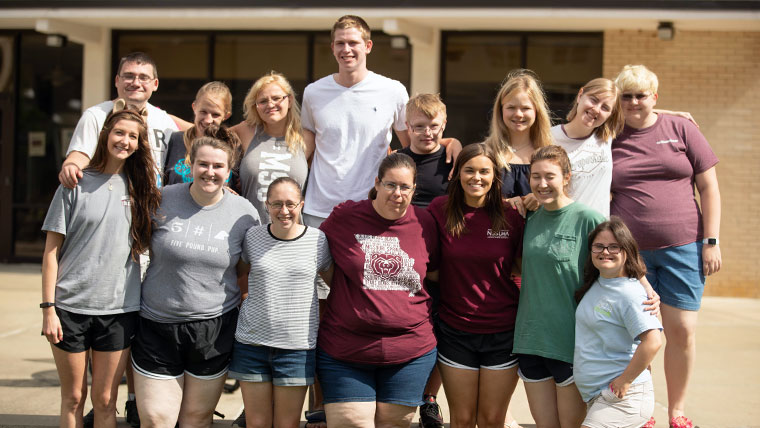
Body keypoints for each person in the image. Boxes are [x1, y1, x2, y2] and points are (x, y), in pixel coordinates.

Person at [611, 65, 721, 428]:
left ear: (655, 97)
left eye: (641, 95)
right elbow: (582, 110)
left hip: (684, 247)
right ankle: (644, 412)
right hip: (630, 253)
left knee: (682, 331)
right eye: (625, 96)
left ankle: (677, 411)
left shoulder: (682, 129)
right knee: (639, 335)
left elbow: (709, 188)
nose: (633, 102)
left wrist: (712, 241)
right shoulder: (608, 135)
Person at [41, 108, 161, 428]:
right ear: (105, 134)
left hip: (119, 309)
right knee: (73, 397)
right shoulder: (74, 183)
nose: (124, 140)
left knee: (106, 399)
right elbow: (51, 253)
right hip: (70, 308)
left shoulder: (142, 189)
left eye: (132, 136)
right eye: (119, 132)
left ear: (139, 144)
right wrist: (48, 308)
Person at [130, 136, 260, 428]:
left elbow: (243, 271)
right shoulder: (162, 198)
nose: (210, 171)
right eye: (203, 164)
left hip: (213, 328)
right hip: (156, 324)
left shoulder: (244, 214)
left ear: (229, 171)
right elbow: (133, 246)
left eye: (218, 166)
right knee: (155, 419)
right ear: (191, 164)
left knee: (196, 419)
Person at [301, 15, 461, 228]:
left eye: (353, 43)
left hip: (373, 205)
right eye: (340, 43)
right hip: (319, 208)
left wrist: (449, 143)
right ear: (332, 47)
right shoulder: (313, 92)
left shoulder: (392, 91)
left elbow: (411, 147)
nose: (346, 49)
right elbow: (306, 149)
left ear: (368, 46)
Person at [317, 152, 438, 427]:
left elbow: (434, 274)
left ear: (414, 189)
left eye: (405, 187)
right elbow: (318, 257)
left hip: (410, 352)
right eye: (390, 185)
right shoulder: (345, 217)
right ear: (377, 183)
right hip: (346, 352)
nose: (397, 193)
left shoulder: (425, 223)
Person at [428, 143, 524, 428]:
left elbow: (520, 268)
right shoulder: (439, 210)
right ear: (457, 173)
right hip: (455, 330)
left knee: (492, 420)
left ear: (496, 176)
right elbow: (430, 268)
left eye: (484, 171)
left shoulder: (512, 214)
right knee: (462, 419)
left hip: (503, 331)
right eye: (469, 170)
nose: (476, 177)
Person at [227, 177, 333, 428]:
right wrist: (245, 300)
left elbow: (334, 284)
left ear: (302, 204)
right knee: (257, 423)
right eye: (276, 204)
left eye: (290, 204)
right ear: (266, 205)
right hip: (252, 343)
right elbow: (240, 273)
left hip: (296, 348)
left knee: (287, 424)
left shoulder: (318, 240)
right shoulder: (253, 236)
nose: (284, 211)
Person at [397, 93, 453, 428]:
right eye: (419, 126)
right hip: (403, 261)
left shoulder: (452, 159)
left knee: (443, 329)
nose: (426, 132)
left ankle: (429, 398)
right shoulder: (396, 161)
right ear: (407, 126)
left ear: (443, 125)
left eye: (433, 126)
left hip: (444, 260)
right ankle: (403, 392)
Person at [574, 217, 663, 428]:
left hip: (623, 397)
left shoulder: (630, 293)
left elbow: (652, 342)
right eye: (599, 246)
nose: (605, 252)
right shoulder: (597, 283)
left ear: (627, 250)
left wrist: (625, 381)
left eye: (614, 246)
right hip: (597, 395)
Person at [59, 52, 178, 189]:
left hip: (151, 204)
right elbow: (80, 153)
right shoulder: (95, 115)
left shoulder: (165, 120)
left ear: (155, 84)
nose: (136, 83)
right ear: (117, 80)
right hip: (107, 201)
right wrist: (71, 166)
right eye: (129, 76)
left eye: (144, 78)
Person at [231, 71, 309, 223]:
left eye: (276, 98)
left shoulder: (306, 138)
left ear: (290, 100)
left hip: (291, 233)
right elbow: (209, 134)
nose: (270, 105)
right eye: (263, 101)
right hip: (249, 230)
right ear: (256, 106)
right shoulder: (246, 131)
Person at [483, 69, 553, 218]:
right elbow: (471, 199)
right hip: (496, 236)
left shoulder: (550, 154)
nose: (518, 114)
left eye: (525, 108)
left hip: (538, 237)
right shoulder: (486, 152)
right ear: (500, 110)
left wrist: (542, 199)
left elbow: (564, 199)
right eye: (511, 107)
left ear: (537, 111)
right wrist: (504, 203)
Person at [550, 78, 624, 217]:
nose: (596, 109)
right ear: (580, 95)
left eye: (605, 108)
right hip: (564, 229)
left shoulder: (606, 138)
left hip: (598, 232)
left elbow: (641, 113)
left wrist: (674, 116)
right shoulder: (549, 137)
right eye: (594, 100)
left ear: (610, 115)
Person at [164, 81, 233, 185]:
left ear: (226, 116)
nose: (208, 120)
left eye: (215, 115)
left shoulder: (232, 145)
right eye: (203, 112)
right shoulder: (175, 140)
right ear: (194, 107)